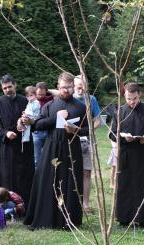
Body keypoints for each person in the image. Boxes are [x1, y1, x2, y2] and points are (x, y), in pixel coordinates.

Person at [23, 72, 88, 229]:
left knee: (70, 182)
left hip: (71, 148)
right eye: (63, 87)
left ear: (73, 87)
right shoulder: (50, 106)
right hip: (51, 147)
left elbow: (88, 130)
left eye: (69, 87)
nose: (66, 90)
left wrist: (75, 130)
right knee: (47, 181)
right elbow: (38, 125)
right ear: (58, 87)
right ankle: (46, 218)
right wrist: (56, 117)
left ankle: (68, 221)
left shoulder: (81, 107)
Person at [109, 82, 144, 228]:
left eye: (135, 98)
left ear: (140, 95)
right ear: (124, 96)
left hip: (142, 154)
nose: (132, 102)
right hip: (125, 153)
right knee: (125, 185)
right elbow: (112, 134)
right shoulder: (119, 111)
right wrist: (123, 138)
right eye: (129, 99)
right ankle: (124, 218)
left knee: (142, 184)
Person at [0, 75, 35, 204]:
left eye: (9, 87)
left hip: (24, 145)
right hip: (7, 146)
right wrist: (5, 133)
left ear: (15, 85)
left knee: (24, 175)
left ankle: (25, 204)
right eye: (4, 88)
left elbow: (33, 120)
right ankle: (6, 204)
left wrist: (28, 122)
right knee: (6, 175)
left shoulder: (25, 101)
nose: (7, 90)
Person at [73, 75, 101, 213]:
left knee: (86, 172)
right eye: (79, 86)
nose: (82, 89)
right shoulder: (68, 98)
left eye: (84, 87)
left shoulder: (91, 99)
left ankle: (85, 203)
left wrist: (89, 130)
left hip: (87, 139)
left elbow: (97, 120)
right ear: (73, 86)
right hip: (71, 139)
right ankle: (71, 201)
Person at [32, 82, 54, 166]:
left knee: (49, 157)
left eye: (43, 94)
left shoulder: (50, 99)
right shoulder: (32, 101)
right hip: (36, 133)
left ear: (46, 92)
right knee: (36, 159)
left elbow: (60, 93)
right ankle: (36, 178)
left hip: (49, 132)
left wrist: (49, 91)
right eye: (38, 94)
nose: (40, 96)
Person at [19, 86, 41, 154]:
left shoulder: (36, 103)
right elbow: (27, 109)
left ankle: (25, 138)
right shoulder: (29, 102)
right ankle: (23, 137)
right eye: (28, 96)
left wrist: (27, 114)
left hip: (34, 117)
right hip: (28, 116)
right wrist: (24, 112)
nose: (29, 97)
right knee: (23, 123)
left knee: (27, 126)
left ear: (35, 95)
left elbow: (33, 111)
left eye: (31, 95)